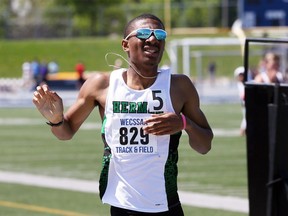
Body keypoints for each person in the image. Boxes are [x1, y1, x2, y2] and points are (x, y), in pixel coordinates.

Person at [33, 13, 213, 216]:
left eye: (159, 34)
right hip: (121, 206)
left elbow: (204, 145)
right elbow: (65, 132)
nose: (153, 39)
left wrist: (183, 123)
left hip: (166, 205)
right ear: (125, 45)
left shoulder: (179, 86)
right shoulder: (102, 85)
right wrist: (56, 119)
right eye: (144, 33)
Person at [234, 66, 246, 136]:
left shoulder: (244, 83)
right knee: (245, 120)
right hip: (245, 104)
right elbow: (243, 96)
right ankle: (241, 132)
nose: (242, 77)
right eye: (240, 75)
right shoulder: (240, 85)